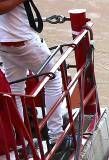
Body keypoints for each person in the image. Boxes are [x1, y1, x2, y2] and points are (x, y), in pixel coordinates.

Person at [0, 0, 66, 148]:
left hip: (5, 43)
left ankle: (20, 143)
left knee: (16, 91)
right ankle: (56, 137)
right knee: (52, 79)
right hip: (22, 40)